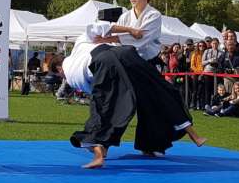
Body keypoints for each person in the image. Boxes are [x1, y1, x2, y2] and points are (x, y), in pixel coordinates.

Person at [57, 24, 206, 168]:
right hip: (126, 53)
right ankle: (188, 136)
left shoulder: (70, 73)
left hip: (106, 62)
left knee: (102, 112)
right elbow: (102, 27)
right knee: (158, 90)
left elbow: (101, 95)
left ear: (59, 69)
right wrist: (131, 30)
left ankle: (100, 155)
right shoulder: (81, 43)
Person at [96, 0, 161, 62]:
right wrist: (129, 30)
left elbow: (141, 38)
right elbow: (116, 41)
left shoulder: (154, 15)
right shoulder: (124, 16)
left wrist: (106, 39)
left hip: (148, 61)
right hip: (126, 59)